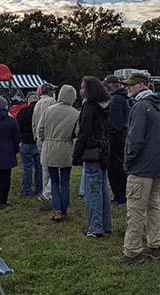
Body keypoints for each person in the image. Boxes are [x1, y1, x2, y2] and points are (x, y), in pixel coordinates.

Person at [116, 73, 160, 264]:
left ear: (143, 85)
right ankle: (155, 245)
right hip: (155, 166)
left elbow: (135, 139)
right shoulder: (155, 106)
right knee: (153, 207)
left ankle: (132, 251)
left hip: (141, 168)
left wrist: (128, 161)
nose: (128, 87)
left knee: (136, 210)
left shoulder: (140, 106)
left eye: (132, 84)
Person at [73, 76, 111, 238]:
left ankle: (95, 228)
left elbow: (83, 133)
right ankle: (105, 225)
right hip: (102, 152)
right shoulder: (102, 107)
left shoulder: (89, 107)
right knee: (102, 190)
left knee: (93, 192)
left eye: (82, 88)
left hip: (91, 152)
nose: (80, 90)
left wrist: (76, 155)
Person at [38, 85, 79, 221]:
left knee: (54, 181)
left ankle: (57, 210)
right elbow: (78, 133)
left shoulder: (48, 111)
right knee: (65, 181)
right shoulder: (75, 113)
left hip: (49, 148)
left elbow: (40, 130)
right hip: (66, 148)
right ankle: (64, 210)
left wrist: (46, 141)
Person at [104, 75, 130, 205]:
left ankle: (119, 196)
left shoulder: (114, 100)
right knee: (121, 166)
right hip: (124, 135)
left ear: (111, 85)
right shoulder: (125, 98)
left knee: (114, 168)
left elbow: (115, 123)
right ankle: (123, 193)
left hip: (115, 137)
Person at [33, 83, 57, 203]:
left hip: (39, 138)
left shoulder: (37, 104)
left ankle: (45, 192)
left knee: (45, 168)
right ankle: (48, 193)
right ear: (50, 91)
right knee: (54, 168)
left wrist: (36, 137)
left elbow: (34, 123)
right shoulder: (52, 102)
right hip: (50, 138)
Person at [16, 93, 42, 197]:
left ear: (28, 100)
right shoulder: (41, 112)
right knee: (39, 167)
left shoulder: (22, 112)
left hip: (26, 142)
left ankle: (26, 190)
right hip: (37, 142)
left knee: (27, 167)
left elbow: (18, 128)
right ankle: (39, 189)